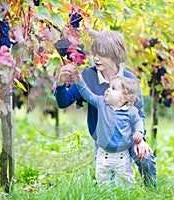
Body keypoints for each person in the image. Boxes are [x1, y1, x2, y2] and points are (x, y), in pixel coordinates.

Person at [54, 30, 157, 187]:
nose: (96, 58)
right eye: (95, 53)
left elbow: (139, 114)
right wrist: (60, 82)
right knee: (107, 185)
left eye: (102, 55)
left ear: (115, 56)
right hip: (104, 142)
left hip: (128, 137)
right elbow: (63, 102)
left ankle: (153, 193)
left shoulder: (130, 80)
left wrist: (140, 138)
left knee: (147, 159)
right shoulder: (88, 76)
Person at [73, 71, 144, 185]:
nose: (108, 90)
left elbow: (138, 120)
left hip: (122, 156)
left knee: (128, 182)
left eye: (113, 88)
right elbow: (88, 95)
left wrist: (139, 132)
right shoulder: (101, 103)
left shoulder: (130, 110)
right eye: (109, 87)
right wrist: (79, 81)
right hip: (103, 154)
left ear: (124, 98)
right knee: (102, 181)